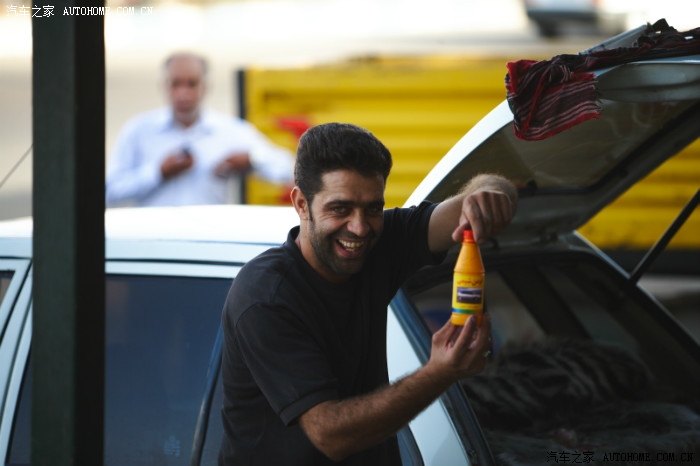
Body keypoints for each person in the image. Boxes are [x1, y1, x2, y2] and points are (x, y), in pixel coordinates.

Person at [219, 122, 518, 465]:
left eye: (373, 208)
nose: (360, 228)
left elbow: (474, 204)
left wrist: (491, 191)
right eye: (340, 209)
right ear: (301, 204)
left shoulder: (379, 244)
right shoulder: (265, 296)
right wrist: (439, 372)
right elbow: (330, 435)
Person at [105, 52, 294, 207]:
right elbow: (108, 192)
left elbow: (287, 169)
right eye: (175, 84)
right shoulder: (139, 131)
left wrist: (252, 158)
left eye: (192, 84)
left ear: (205, 87)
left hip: (208, 239)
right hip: (154, 238)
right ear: (164, 86)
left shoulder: (228, 130)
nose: (183, 93)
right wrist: (158, 172)